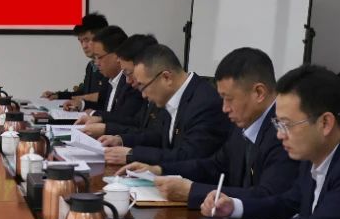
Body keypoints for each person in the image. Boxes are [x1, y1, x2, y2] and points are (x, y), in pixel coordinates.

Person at [206, 65, 340, 219]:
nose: (280, 135)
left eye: (286, 125)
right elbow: (288, 202)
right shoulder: (315, 151)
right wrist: (234, 207)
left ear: (325, 123)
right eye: (278, 124)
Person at [117, 47, 298, 210]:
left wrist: (192, 191)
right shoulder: (244, 122)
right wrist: (160, 170)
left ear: (258, 93)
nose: (224, 108)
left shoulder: (285, 132)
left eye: (229, 99)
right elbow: (215, 165)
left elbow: (269, 195)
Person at [98, 43, 232, 166]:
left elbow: (189, 156)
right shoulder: (172, 96)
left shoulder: (205, 103)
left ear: (166, 77)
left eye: (143, 86)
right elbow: (159, 137)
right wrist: (121, 140)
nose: (143, 95)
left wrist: (133, 155)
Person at [75, 33, 157, 138]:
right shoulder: (110, 80)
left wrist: (106, 127)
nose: (96, 63)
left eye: (99, 57)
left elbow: (140, 128)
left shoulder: (138, 89)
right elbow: (137, 123)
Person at [43, 12, 107, 109]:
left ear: (102, 37)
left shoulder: (111, 66)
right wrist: (58, 95)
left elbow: (105, 99)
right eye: (81, 41)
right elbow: (84, 93)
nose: (84, 46)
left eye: (87, 40)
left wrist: (82, 102)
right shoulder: (91, 65)